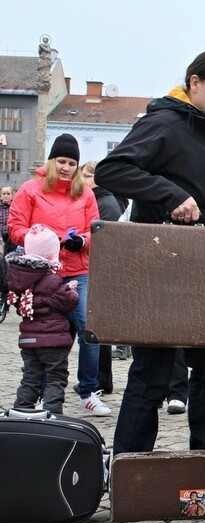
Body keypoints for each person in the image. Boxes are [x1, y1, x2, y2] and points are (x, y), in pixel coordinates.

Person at [95, 49, 205, 454]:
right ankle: (129, 464)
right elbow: (112, 170)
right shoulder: (165, 122)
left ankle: (204, 459)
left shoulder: (203, 130)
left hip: (202, 269)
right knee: (152, 373)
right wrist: (171, 194)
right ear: (194, 83)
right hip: (161, 270)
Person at [8, 133, 110, 416]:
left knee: (89, 330)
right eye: (61, 161)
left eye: (71, 163)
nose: (66, 167)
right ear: (52, 162)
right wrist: (41, 237)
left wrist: (84, 241)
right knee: (46, 334)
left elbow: (95, 229)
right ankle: (42, 393)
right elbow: (15, 227)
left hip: (78, 270)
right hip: (40, 274)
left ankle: (88, 391)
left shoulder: (86, 193)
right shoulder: (30, 189)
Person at [8, 225, 79, 414]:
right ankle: (52, 411)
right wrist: (70, 290)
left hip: (28, 339)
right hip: (53, 340)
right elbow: (69, 302)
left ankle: (21, 410)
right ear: (51, 254)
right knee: (56, 377)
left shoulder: (20, 278)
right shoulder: (52, 279)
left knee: (31, 377)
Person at [80, 160, 125, 395]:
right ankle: (98, 378)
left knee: (98, 328)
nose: (83, 180)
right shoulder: (98, 200)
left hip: (101, 272)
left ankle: (100, 378)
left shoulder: (106, 204)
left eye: (87, 176)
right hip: (96, 271)